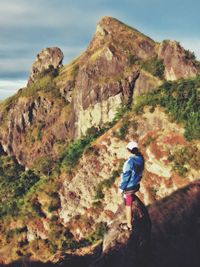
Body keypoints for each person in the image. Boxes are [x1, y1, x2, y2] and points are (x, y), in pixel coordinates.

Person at [119, 141, 144, 231]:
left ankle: (129, 225)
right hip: (137, 184)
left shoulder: (129, 162)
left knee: (128, 204)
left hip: (130, 187)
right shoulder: (140, 158)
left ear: (129, 151)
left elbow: (126, 177)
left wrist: (121, 188)